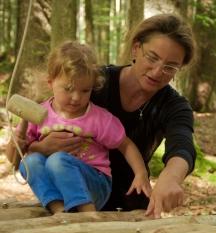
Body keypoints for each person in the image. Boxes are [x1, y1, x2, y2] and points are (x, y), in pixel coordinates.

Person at [30, 13, 196, 219]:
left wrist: (171, 177)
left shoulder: (174, 106)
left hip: (130, 207)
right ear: (136, 48)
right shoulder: (92, 82)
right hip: (67, 201)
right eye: (152, 58)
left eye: (170, 67)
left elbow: (183, 146)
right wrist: (39, 147)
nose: (157, 71)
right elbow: (25, 145)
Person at [5, 41, 151, 215]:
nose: (76, 97)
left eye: (85, 90)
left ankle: (87, 213)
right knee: (29, 162)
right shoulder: (38, 114)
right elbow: (14, 158)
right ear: (50, 82)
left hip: (94, 184)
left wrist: (141, 173)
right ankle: (59, 210)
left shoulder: (97, 118)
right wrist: (20, 136)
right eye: (68, 89)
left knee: (57, 160)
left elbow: (125, 144)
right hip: (58, 187)